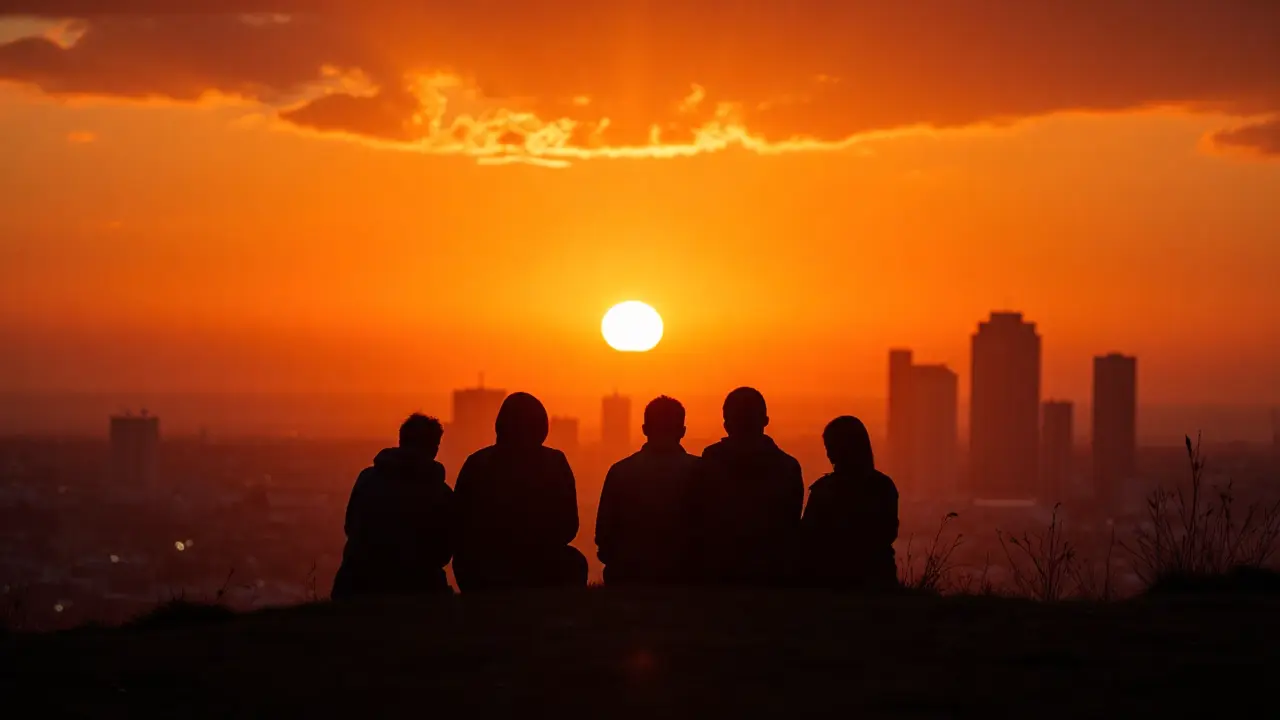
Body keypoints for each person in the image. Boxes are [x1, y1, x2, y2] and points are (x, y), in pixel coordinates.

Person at [452, 392, 587, 592]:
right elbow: (569, 526)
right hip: (541, 566)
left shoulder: (477, 462)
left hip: (485, 569)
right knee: (574, 561)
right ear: (542, 428)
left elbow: (458, 524)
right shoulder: (554, 462)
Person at [689, 387, 804, 586]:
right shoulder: (788, 467)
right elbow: (791, 524)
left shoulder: (709, 462)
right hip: (772, 577)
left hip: (717, 577)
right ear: (765, 421)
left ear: (726, 424)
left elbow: (695, 517)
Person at [331, 414, 454, 600]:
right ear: (434, 448)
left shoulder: (368, 479)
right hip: (417, 589)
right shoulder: (440, 493)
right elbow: (443, 550)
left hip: (357, 585)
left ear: (401, 441)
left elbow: (351, 526)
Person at [595, 396, 700, 586]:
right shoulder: (700, 471)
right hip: (687, 574)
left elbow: (604, 538)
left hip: (630, 574)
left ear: (644, 429)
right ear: (683, 431)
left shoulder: (620, 471)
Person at [800, 415, 900, 591]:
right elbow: (888, 532)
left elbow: (807, 537)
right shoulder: (883, 486)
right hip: (877, 580)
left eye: (830, 447)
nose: (828, 454)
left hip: (830, 580)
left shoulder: (824, 490)